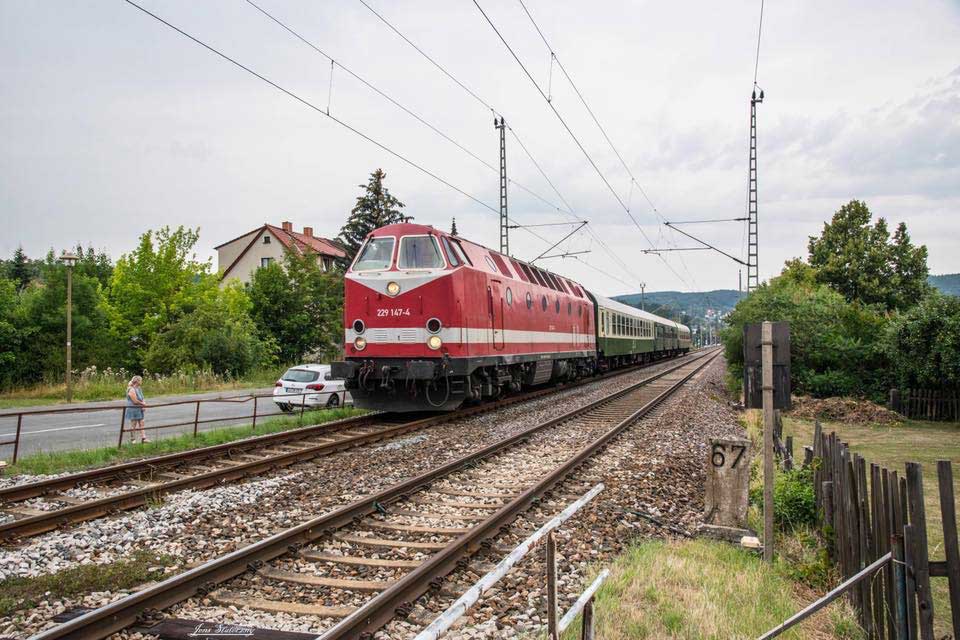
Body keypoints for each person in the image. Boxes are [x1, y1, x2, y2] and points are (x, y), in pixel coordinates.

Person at [125, 375, 149, 443]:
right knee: (134, 424)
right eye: (141, 380)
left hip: (139, 408)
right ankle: (133, 439)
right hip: (133, 408)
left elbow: (142, 397)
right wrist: (143, 404)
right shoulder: (131, 389)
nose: (141, 382)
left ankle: (144, 438)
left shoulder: (139, 388)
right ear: (137, 381)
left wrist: (143, 404)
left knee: (142, 423)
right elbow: (135, 401)